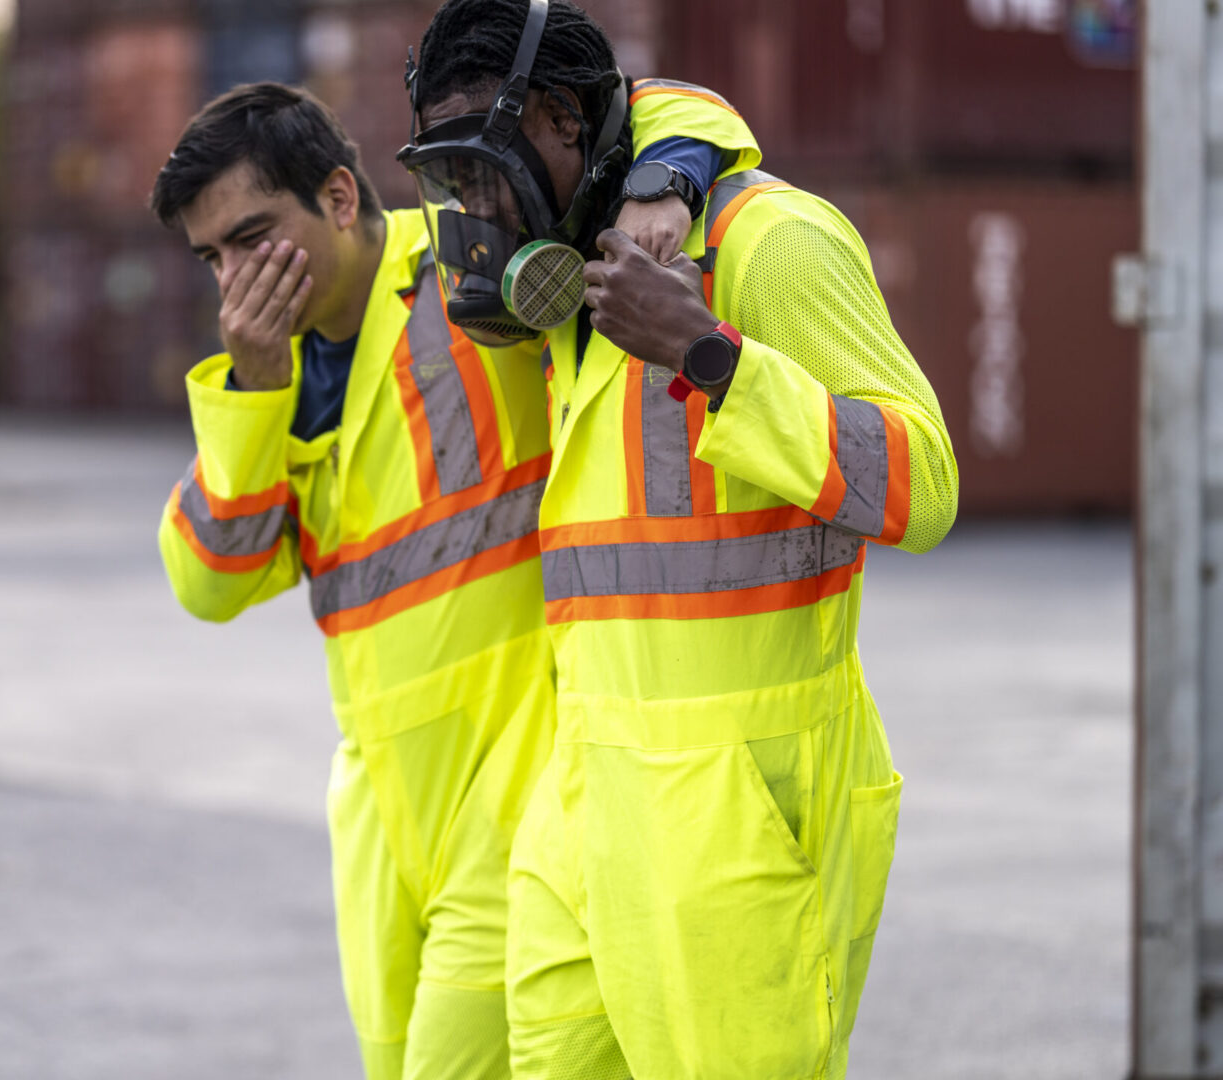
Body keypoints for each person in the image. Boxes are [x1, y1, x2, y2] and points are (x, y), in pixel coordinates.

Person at [151, 79, 757, 1080]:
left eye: (254, 236)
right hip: (388, 822)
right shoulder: (269, 373)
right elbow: (211, 580)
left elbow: (661, 105)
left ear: (341, 197)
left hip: (517, 786)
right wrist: (256, 390)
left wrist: (665, 182)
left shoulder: (473, 256)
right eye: (214, 257)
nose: (236, 279)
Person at [399, 2, 960, 1077]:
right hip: (587, 812)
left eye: (481, 172)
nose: (473, 210)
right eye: (449, 182)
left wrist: (711, 354)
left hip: (738, 819)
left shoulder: (771, 243)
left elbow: (922, 485)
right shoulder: (577, 273)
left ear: (563, 120)